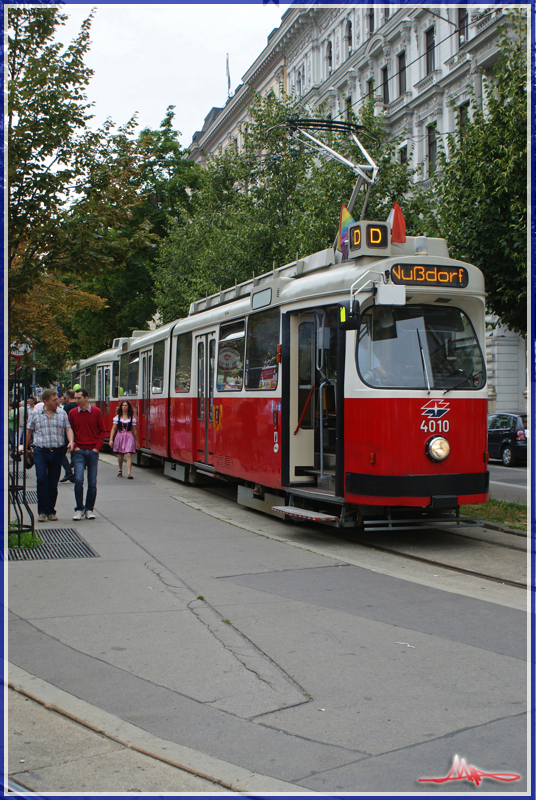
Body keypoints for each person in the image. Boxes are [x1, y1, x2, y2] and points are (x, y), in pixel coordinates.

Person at [25, 389, 74, 522]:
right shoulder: (35, 414)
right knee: (41, 480)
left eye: (57, 399)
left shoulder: (62, 413)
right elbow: (29, 431)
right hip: (41, 451)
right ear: (45, 401)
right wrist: (25, 447)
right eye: (54, 400)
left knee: (53, 482)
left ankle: (51, 511)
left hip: (57, 451)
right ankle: (42, 511)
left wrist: (71, 441)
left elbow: (68, 428)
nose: (57, 401)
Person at [69, 388, 106, 520]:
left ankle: (89, 509)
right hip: (79, 451)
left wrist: (97, 447)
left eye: (79, 398)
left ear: (86, 398)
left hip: (92, 451)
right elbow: (70, 430)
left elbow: (102, 430)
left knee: (92, 482)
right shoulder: (73, 413)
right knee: (78, 480)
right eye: (75, 398)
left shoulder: (96, 412)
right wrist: (75, 446)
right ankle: (79, 508)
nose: (76, 401)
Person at [109, 400, 139, 479]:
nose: (124, 407)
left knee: (128, 454)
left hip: (129, 436)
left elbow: (134, 430)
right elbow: (113, 429)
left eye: (126, 405)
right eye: (123, 405)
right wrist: (111, 439)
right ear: (121, 407)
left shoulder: (131, 418)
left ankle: (129, 473)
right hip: (120, 436)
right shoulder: (117, 418)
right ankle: (120, 470)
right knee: (120, 455)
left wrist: (137, 441)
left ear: (128, 407)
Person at [59, 390, 78, 483]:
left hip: (69, 432)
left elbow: (65, 420)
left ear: (67, 398)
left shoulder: (67, 407)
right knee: (76, 452)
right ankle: (76, 474)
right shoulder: (79, 405)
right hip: (78, 431)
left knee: (61, 453)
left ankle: (69, 472)